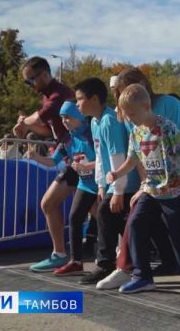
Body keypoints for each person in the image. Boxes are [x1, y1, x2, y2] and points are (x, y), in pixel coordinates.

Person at [106, 84, 180, 294]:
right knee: (135, 223)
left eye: (132, 114)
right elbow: (132, 160)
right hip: (151, 190)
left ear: (146, 106)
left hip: (175, 191)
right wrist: (117, 173)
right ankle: (142, 276)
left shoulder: (167, 127)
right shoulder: (136, 132)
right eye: (127, 115)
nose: (130, 119)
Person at [74, 77, 138, 285]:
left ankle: (105, 263)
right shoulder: (94, 122)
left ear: (94, 99)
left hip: (126, 182)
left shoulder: (110, 120)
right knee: (116, 219)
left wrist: (118, 190)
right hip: (111, 182)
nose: (77, 104)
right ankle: (134, 259)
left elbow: (117, 155)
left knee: (105, 213)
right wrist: (101, 184)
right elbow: (100, 157)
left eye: (79, 99)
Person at [26, 101, 96, 273]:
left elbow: (106, 159)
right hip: (77, 172)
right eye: (62, 118)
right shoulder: (67, 139)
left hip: (97, 176)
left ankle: (123, 253)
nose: (64, 121)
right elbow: (53, 161)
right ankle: (59, 253)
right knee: (47, 203)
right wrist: (35, 156)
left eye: (68, 117)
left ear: (80, 117)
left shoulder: (93, 132)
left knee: (102, 215)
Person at [13, 56, 74, 141]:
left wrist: (24, 121)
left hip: (77, 144)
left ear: (45, 74)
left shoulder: (60, 93)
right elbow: (48, 131)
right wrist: (28, 125)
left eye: (31, 80)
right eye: (27, 82)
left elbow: (40, 116)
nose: (30, 85)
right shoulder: (46, 97)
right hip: (64, 144)